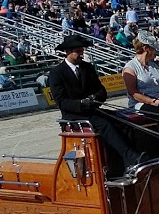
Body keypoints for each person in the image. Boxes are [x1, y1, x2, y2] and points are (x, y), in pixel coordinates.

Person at [46, 33, 143, 179]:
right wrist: (81, 104)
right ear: (68, 52)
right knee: (104, 125)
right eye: (78, 51)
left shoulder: (88, 68)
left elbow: (101, 90)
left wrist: (93, 99)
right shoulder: (57, 73)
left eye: (82, 51)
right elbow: (62, 101)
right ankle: (130, 157)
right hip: (74, 115)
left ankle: (122, 162)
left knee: (123, 120)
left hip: (93, 109)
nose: (81, 54)